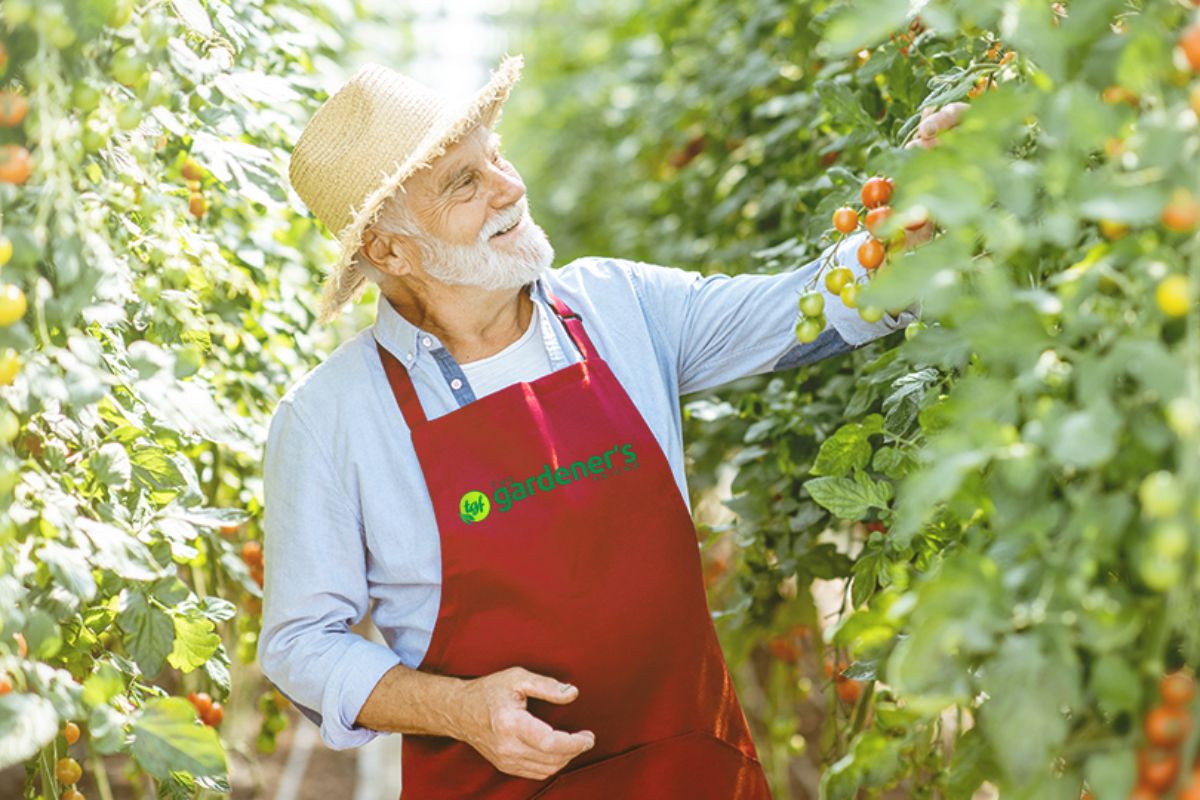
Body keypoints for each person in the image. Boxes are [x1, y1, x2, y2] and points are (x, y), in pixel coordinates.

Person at [261, 53, 961, 799]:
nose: (508, 188)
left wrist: (910, 219)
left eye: (495, 157)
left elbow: (804, 308)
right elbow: (301, 646)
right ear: (387, 249)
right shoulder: (330, 417)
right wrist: (456, 709)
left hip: (693, 769)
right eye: (464, 182)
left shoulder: (619, 305)